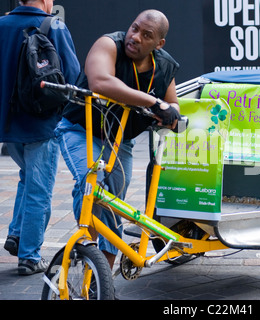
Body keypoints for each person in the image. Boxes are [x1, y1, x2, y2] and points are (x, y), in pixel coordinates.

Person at [54, 9, 180, 269]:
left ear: (159, 44)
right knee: (92, 183)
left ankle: (102, 276)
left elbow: (172, 106)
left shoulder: (164, 65)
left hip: (120, 141)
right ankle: (88, 252)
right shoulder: (109, 44)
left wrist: (170, 113)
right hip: (81, 130)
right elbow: (100, 81)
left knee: (114, 204)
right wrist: (152, 102)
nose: (135, 37)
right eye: (134, 28)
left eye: (146, 35)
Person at [0, 0, 80, 275]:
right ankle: (29, 256)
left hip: (7, 124)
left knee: (28, 178)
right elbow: (72, 76)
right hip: (42, 123)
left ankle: (16, 234)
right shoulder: (54, 26)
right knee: (39, 190)